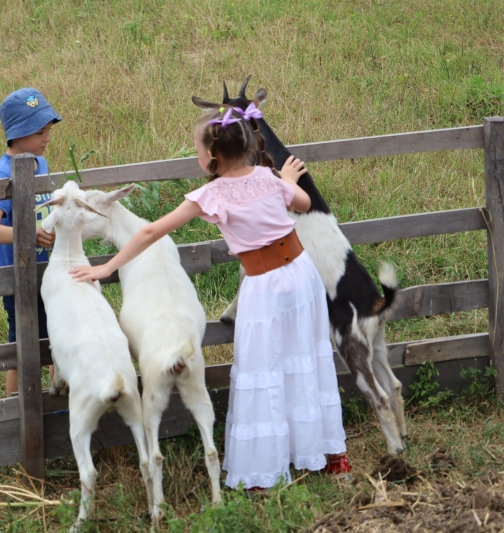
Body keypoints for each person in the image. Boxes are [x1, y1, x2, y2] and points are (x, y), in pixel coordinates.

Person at [70, 104, 350, 489]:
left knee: (263, 366)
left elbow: (150, 233)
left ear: (211, 157)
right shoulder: (269, 178)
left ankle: (261, 472)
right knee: (305, 355)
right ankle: (331, 454)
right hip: (301, 277)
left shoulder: (210, 195)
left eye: (197, 150)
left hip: (265, 287)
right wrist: (285, 180)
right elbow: (301, 204)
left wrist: (105, 268)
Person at [0, 88, 59, 397]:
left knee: (56, 340)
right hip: (19, 279)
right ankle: (15, 410)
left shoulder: (41, 164)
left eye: (48, 131)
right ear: (19, 133)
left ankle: (59, 404)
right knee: (22, 348)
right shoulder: (3, 171)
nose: (47, 138)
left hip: (48, 274)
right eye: (40, 132)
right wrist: (27, 235)